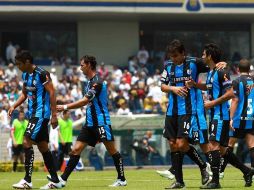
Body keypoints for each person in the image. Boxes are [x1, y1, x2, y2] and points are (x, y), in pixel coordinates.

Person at [52, 55, 127, 187]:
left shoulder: (97, 81)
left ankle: (122, 179)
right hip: (90, 123)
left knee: (112, 150)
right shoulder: (88, 82)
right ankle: (62, 180)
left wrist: (65, 106)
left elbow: (85, 101)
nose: (80, 68)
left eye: (82, 65)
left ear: (88, 65)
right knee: (75, 150)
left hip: (101, 122)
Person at [188, 43, 254, 188]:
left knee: (213, 146)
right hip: (214, 115)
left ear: (210, 56)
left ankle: (215, 182)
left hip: (220, 115)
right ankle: (247, 171)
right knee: (223, 150)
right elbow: (209, 87)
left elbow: (231, 93)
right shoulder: (211, 72)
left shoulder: (221, 71)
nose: (202, 57)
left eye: (204, 54)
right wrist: (195, 84)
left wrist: (212, 104)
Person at [160, 39, 212, 189]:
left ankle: (203, 167)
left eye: (176, 55)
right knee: (172, 144)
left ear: (183, 53)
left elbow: (212, 65)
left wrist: (221, 64)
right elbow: (163, 86)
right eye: (171, 56)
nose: (173, 59)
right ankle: (179, 181)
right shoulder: (168, 66)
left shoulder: (194, 63)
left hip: (188, 110)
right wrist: (174, 89)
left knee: (182, 144)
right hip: (172, 111)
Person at [8, 50, 62, 189]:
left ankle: (27, 180)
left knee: (26, 141)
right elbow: (24, 94)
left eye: (19, 64)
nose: (18, 67)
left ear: (27, 62)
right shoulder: (26, 75)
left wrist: (54, 115)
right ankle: (55, 180)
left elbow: (52, 92)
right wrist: (14, 105)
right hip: (32, 115)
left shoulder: (42, 74)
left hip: (41, 115)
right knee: (43, 146)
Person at [220, 59, 254, 180]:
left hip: (239, 118)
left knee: (229, 144)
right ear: (249, 69)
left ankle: (221, 171)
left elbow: (235, 100)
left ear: (238, 69)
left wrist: (231, 118)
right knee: (252, 144)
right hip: (251, 117)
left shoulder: (237, 81)